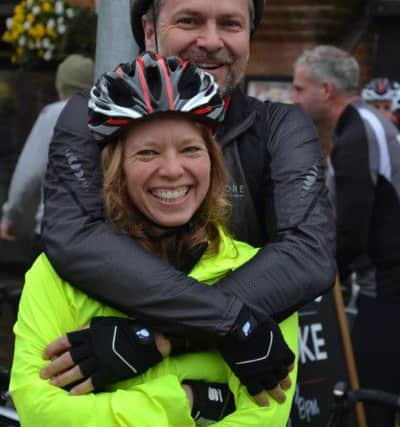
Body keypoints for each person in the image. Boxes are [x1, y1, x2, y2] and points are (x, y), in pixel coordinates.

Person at [42, 0, 335, 404]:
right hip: (114, 395)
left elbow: (309, 252)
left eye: (230, 24)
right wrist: (231, 322)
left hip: (240, 390)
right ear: (149, 32)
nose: (211, 41)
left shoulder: (280, 127)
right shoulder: (91, 115)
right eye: (189, 20)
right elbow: (73, 235)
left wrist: (156, 340)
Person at [10, 52, 298, 427]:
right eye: (147, 152)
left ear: (212, 160)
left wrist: (131, 374)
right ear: (116, 171)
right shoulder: (54, 274)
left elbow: (266, 419)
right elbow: (41, 411)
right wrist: (187, 401)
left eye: (191, 149)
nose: (173, 170)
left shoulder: (257, 274)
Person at [291, 44, 400, 427]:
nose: (293, 98)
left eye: (299, 89)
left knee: (372, 400)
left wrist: (315, 280)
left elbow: (351, 231)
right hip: (382, 281)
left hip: (386, 286)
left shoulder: (357, 136)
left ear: (326, 91)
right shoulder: (366, 123)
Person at [0, 54, 94, 247]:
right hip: (94, 232)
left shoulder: (52, 115)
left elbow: (29, 173)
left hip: (54, 227)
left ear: (60, 87)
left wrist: (11, 216)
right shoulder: (102, 114)